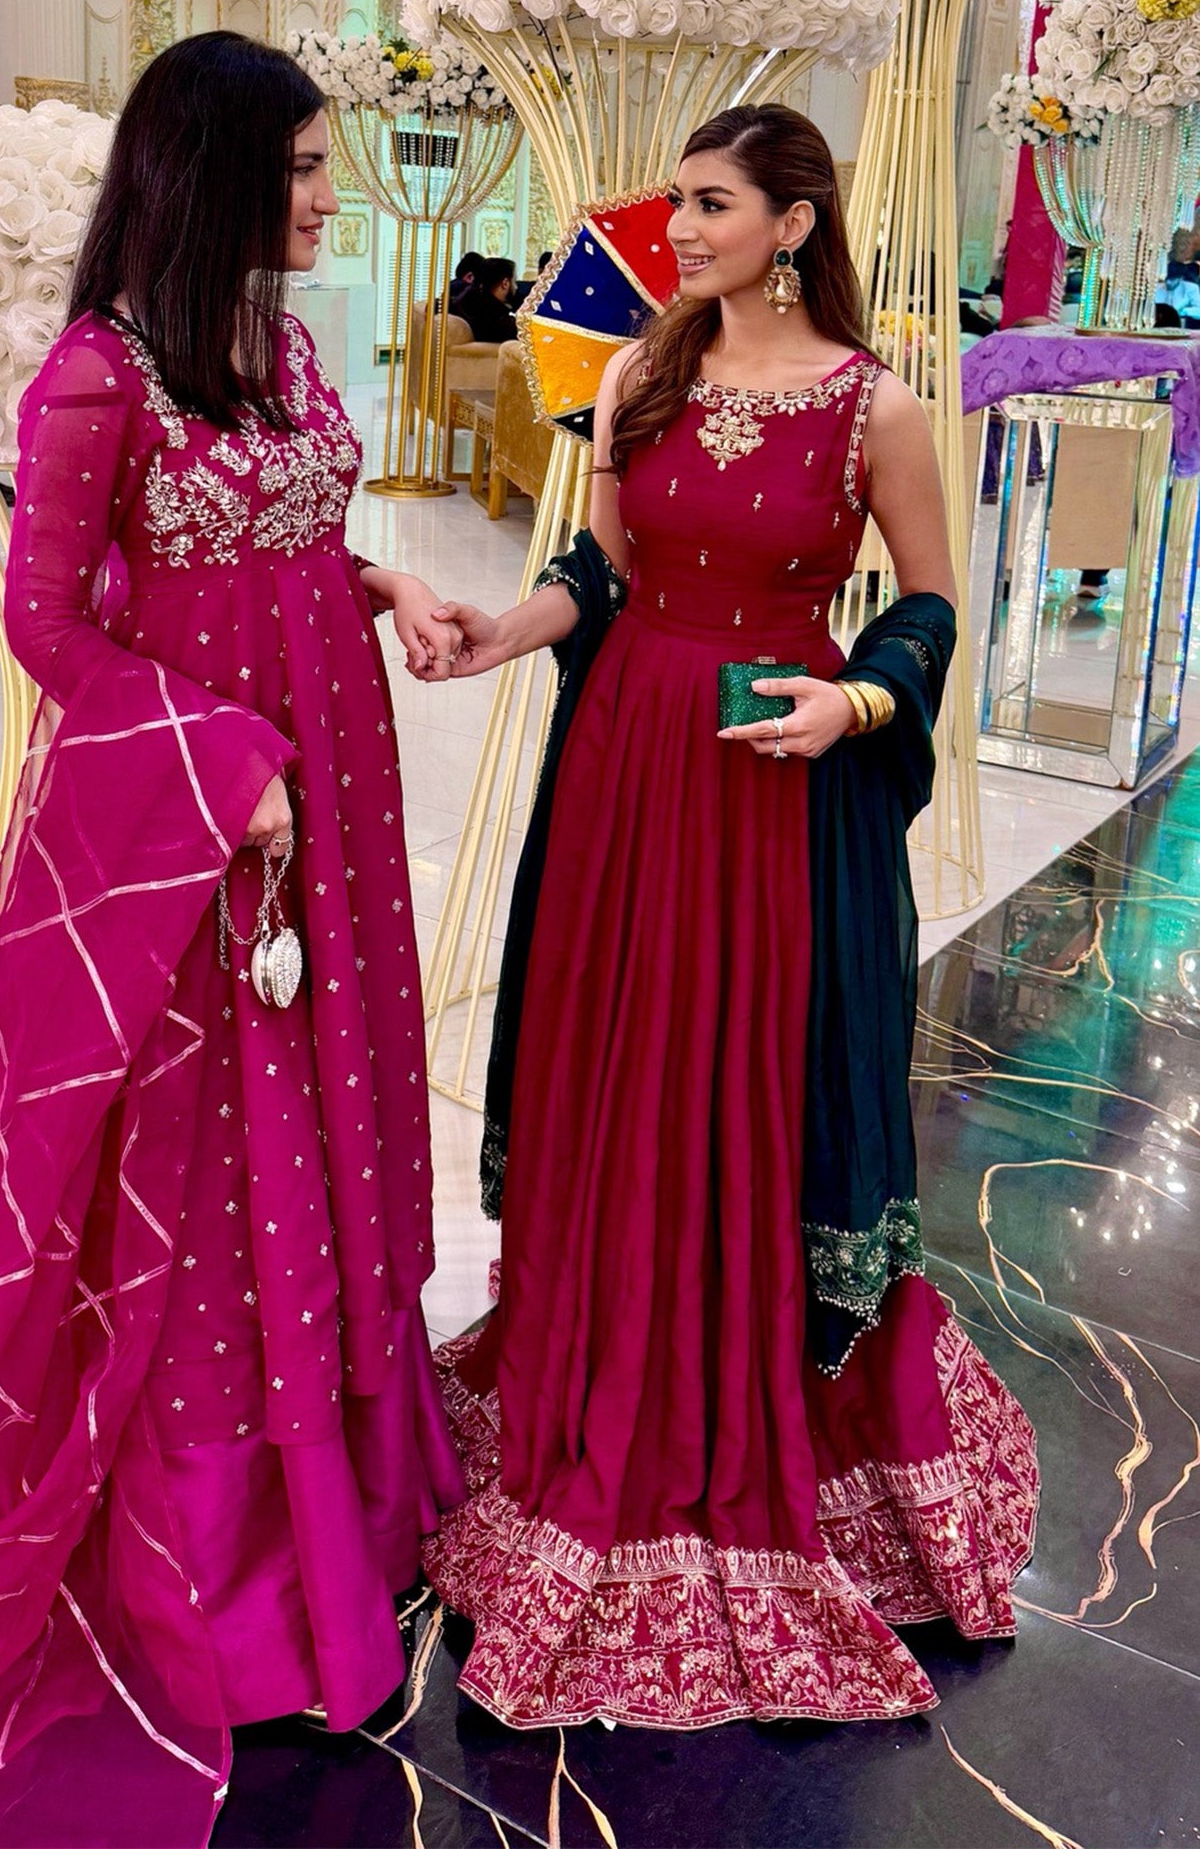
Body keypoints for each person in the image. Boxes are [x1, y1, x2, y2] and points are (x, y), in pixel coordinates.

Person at [0, 31, 468, 1848]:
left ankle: (349, 1506)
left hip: (329, 785)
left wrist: (376, 581)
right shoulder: (91, 377)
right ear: (208, 178)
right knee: (200, 1165)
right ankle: (222, 1573)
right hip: (188, 825)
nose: (329, 197)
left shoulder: (284, 348)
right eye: (300, 168)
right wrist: (222, 770)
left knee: (326, 1117)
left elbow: (285, 539)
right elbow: (48, 626)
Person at [418, 104, 1038, 1732]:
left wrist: (858, 706)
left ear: (792, 222)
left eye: (710, 204)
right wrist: (502, 632)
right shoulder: (641, 373)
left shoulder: (876, 406)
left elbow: (929, 602)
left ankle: (741, 1391)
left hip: (774, 771)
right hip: (626, 757)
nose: (680, 228)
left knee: (742, 1073)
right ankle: (596, 1359)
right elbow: (603, 572)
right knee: (612, 1058)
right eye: (682, 202)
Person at [456, 256, 520, 345]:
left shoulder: (463, 306)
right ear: (505, 283)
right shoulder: (502, 322)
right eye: (514, 282)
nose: (516, 287)